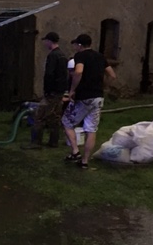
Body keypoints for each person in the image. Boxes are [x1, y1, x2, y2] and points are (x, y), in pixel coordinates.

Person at [62, 34, 116, 168]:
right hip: (98, 97)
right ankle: (85, 161)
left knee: (67, 122)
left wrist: (72, 90)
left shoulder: (80, 56)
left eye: (76, 45)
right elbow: (112, 75)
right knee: (91, 129)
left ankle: (75, 152)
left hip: (84, 97)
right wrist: (104, 86)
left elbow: (79, 72)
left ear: (80, 45)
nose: (75, 47)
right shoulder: (100, 56)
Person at [22, 31, 69, 149]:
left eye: (45, 41)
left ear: (49, 41)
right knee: (54, 117)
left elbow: (49, 74)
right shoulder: (63, 55)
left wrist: (47, 91)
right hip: (59, 92)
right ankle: (53, 141)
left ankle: (36, 142)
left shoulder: (53, 56)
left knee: (39, 116)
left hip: (52, 92)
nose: (45, 43)